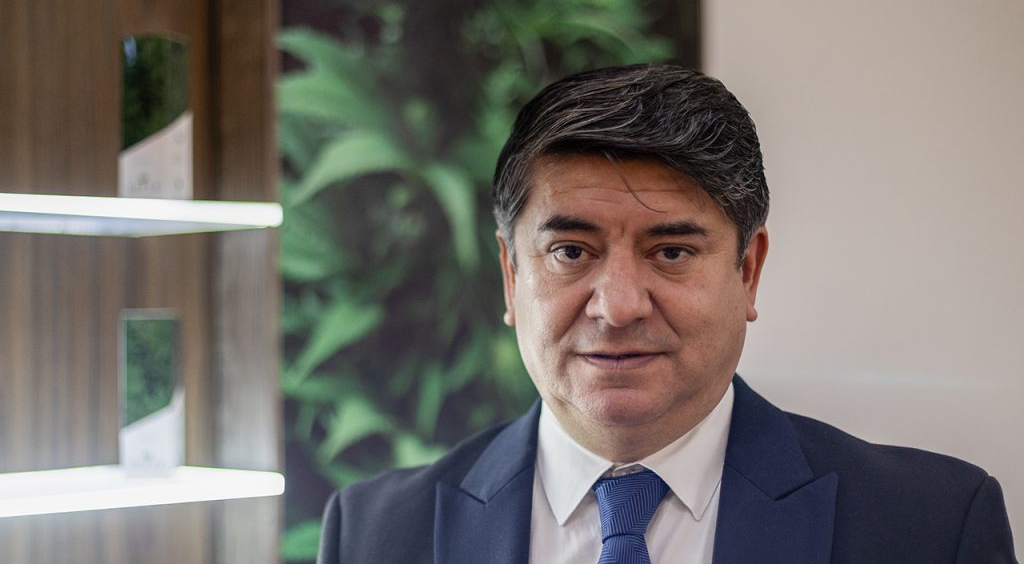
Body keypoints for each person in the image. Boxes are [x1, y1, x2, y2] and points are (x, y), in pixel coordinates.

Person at [316, 64, 1017, 563]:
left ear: (747, 271)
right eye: (570, 251)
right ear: (511, 275)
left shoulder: (930, 528)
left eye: (672, 252)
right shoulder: (373, 535)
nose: (618, 306)